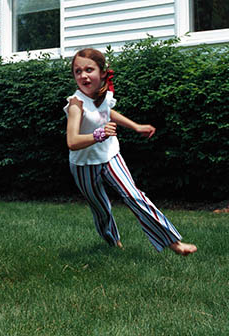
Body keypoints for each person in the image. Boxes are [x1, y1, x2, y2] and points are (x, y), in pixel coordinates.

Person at [64, 48, 197, 256]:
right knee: (101, 208)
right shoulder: (76, 103)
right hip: (83, 164)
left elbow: (108, 112)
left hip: (110, 155)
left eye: (89, 70)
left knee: (134, 196)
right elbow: (72, 141)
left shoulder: (104, 93)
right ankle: (112, 242)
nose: (83, 75)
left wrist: (135, 126)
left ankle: (173, 242)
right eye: (77, 71)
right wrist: (98, 134)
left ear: (101, 72)